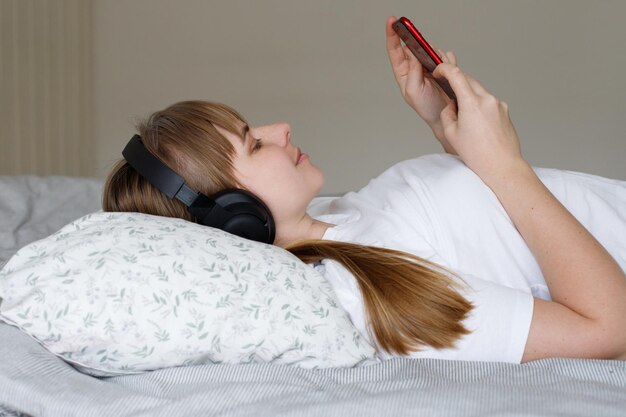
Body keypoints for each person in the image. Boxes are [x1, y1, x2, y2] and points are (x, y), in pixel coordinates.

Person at [103, 16, 626, 364]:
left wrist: (452, 135)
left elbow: (492, 243)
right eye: (255, 144)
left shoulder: (332, 219)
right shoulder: (374, 297)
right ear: (235, 216)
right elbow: (605, 330)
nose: (281, 129)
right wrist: (506, 165)